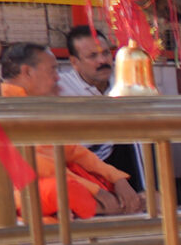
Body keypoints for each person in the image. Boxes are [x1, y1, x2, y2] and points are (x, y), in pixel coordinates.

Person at [0, 44, 143, 218]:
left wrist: (116, 178)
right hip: (16, 191)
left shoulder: (34, 104)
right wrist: (96, 190)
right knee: (65, 191)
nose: (57, 78)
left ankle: (110, 205)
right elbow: (39, 165)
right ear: (27, 72)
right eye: (52, 70)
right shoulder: (3, 108)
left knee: (116, 185)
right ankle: (113, 206)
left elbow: (73, 150)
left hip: (59, 183)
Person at [58, 25, 143, 191]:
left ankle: (148, 192)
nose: (102, 61)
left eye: (106, 53)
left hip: (120, 157)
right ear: (74, 62)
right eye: (93, 56)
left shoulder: (124, 82)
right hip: (81, 164)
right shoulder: (59, 87)